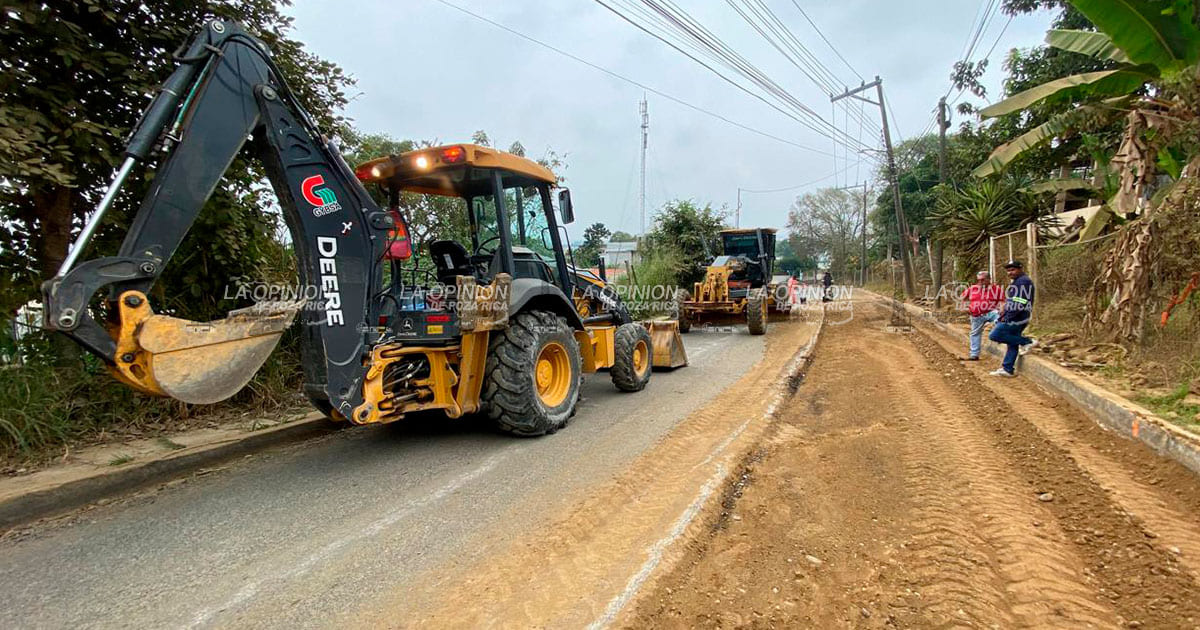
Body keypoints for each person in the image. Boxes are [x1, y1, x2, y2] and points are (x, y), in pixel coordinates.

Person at [988, 260, 1037, 377]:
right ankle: (1007, 368)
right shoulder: (1017, 282)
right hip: (1015, 316)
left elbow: (1020, 302)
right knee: (1012, 342)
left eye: (1013, 270)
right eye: (1008, 270)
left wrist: (1007, 317)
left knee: (995, 335)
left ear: (1020, 269)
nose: (1010, 272)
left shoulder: (1023, 282)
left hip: (1017, 317)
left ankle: (1028, 342)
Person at [960, 270, 1003, 361]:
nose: (980, 282)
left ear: (989, 279)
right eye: (979, 280)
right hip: (976, 314)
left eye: (983, 280)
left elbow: (1003, 300)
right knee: (975, 333)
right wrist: (965, 308)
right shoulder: (972, 288)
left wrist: (1002, 309)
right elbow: (962, 298)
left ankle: (998, 336)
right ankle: (974, 354)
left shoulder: (997, 289)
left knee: (1000, 320)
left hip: (991, 312)